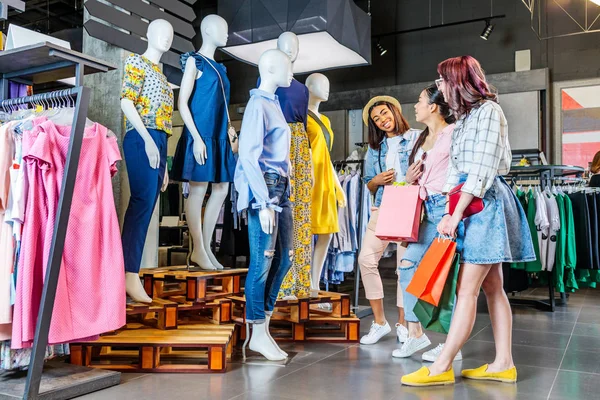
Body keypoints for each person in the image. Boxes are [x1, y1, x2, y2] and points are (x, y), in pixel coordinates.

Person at [402, 56, 535, 386]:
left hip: (484, 205)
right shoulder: (464, 119)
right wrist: (451, 210)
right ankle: (503, 363)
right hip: (471, 205)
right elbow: (454, 173)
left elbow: (481, 172)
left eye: (444, 80)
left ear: (459, 82)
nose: (440, 87)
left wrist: (454, 213)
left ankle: (442, 365)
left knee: (466, 289)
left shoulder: (488, 112)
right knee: (493, 287)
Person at [393, 84, 461, 361]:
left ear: (433, 106)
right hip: (426, 212)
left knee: (448, 279)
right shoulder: (419, 140)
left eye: (420, 101)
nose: (416, 106)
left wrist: (453, 211)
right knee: (407, 267)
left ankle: (452, 347)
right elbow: (418, 179)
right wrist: (409, 179)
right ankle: (416, 334)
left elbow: (461, 172)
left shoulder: (454, 134)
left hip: (448, 211)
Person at [358, 96, 421, 345]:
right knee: (366, 258)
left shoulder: (417, 137)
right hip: (383, 207)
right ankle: (380, 322)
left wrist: (405, 178)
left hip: (410, 206)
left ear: (394, 110)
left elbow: (425, 172)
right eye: (376, 119)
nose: (383, 120)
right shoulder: (375, 149)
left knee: (402, 267)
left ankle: (403, 325)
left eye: (384, 113)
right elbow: (368, 183)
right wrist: (378, 181)